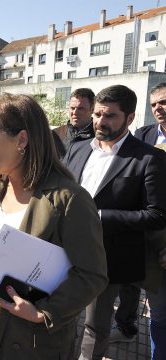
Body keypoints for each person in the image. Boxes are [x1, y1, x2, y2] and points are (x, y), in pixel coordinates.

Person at [0, 93, 107, 359]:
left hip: (28, 337)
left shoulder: (69, 199)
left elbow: (93, 275)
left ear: (21, 139)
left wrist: (45, 312)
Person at [63, 85, 166, 360]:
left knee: (95, 326)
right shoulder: (77, 147)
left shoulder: (150, 159)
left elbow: (156, 215)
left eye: (109, 116)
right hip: (63, 251)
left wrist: (99, 216)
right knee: (61, 315)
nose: (100, 122)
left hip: (107, 258)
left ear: (130, 118)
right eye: (97, 114)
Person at [109, 82, 166, 360]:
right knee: (148, 301)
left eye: (164, 102)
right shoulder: (143, 136)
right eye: (154, 104)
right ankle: (127, 326)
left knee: (162, 311)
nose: (159, 109)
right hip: (142, 235)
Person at [52, 88, 95, 158]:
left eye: (80, 108)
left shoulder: (99, 138)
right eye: (72, 108)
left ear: (92, 110)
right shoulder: (56, 134)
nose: (75, 112)